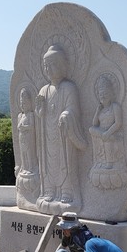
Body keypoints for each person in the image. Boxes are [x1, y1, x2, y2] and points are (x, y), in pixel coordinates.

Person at [35, 45, 87, 206]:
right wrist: (40, 111)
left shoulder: (69, 87)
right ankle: (49, 190)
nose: (49, 69)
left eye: (53, 64)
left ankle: (67, 190)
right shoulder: (44, 90)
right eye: (46, 66)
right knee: (48, 162)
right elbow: (40, 113)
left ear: (63, 65)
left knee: (65, 160)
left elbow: (74, 109)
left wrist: (66, 115)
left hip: (63, 133)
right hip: (48, 134)